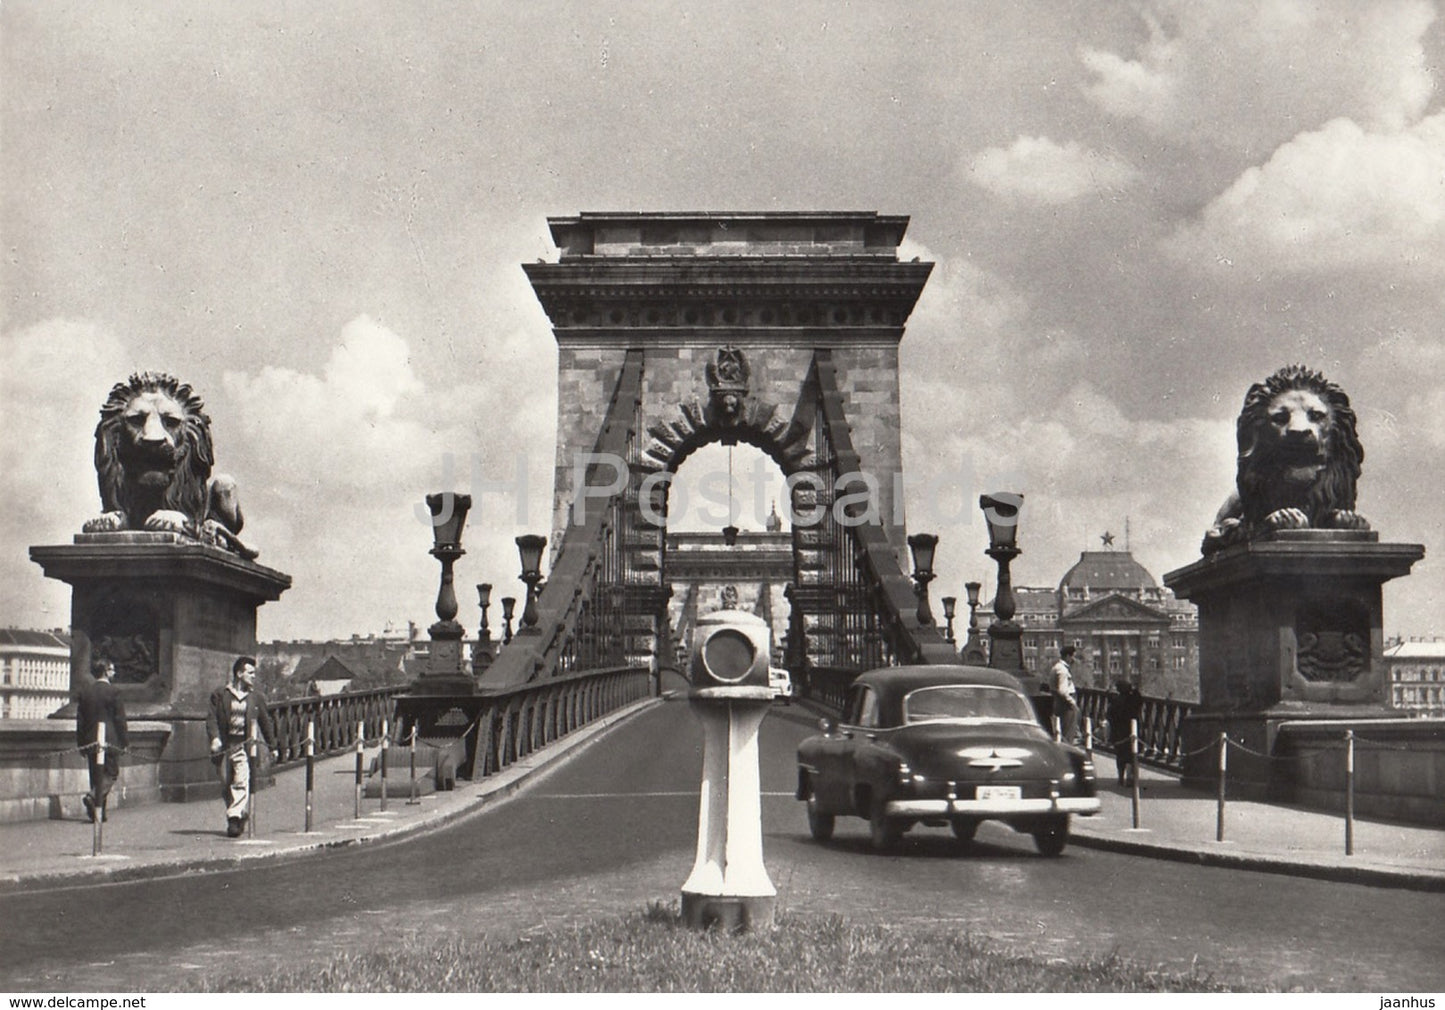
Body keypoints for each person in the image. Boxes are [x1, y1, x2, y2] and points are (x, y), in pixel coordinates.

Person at [206, 655, 276, 838]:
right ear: (239, 674)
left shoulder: (255, 698)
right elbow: (212, 718)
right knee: (225, 783)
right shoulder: (221, 694)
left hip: (243, 746)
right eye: (250, 672)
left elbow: (265, 723)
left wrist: (273, 745)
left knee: (240, 780)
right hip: (224, 745)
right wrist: (214, 738)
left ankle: (233, 820)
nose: (253, 676)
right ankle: (239, 813)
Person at [76, 657, 128, 823]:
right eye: (112, 670)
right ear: (106, 671)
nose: (115, 672)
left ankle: (98, 814)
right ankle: (93, 797)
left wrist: (81, 744)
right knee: (111, 774)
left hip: (91, 740)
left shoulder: (86, 692)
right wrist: (124, 741)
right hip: (110, 739)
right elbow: (120, 719)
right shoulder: (114, 692)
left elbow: (80, 721)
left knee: (96, 775)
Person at [1106, 679, 1145, 786]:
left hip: (1119, 732)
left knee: (1120, 756)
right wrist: (1134, 690)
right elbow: (1139, 700)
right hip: (1131, 730)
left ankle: (1120, 777)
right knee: (1132, 755)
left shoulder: (1115, 701)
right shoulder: (1133, 700)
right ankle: (1130, 777)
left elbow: (1109, 715)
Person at [1049, 645, 1080, 743]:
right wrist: (1072, 702)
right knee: (1068, 732)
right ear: (1067, 656)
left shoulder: (1056, 667)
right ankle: (1067, 753)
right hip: (1066, 704)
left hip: (1059, 702)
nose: (1073, 659)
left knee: (1063, 730)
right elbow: (1062, 690)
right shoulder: (1062, 670)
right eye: (1073, 656)